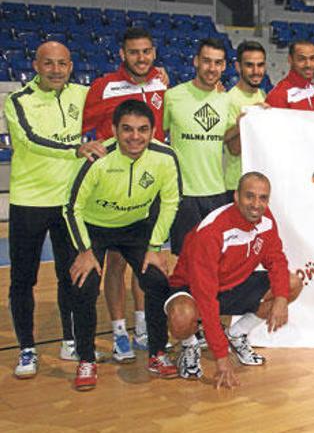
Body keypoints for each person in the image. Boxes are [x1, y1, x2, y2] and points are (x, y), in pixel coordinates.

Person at [65, 99, 181, 390]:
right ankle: (87, 359)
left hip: (135, 228)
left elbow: (170, 202)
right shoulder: (98, 159)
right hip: (94, 228)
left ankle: (156, 352)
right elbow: (71, 207)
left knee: (156, 281)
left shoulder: (165, 157)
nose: (135, 136)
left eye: (143, 130)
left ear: (154, 131)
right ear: (114, 130)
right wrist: (84, 250)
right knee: (84, 284)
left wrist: (155, 247)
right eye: (127, 129)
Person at [4, 41, 103, 378]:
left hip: (68, 205)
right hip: (29, 201)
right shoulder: (17, 101)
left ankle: (69, 340)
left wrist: (156, 79)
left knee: (69, 276)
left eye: (62, 64)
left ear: (71, 66)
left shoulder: (82, 94)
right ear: (36, 66)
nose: (56, 70)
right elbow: (30, 140)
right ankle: (27, 349)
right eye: (49, 64)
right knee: (22, 279)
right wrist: (76, 149)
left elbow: (118, 101)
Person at [165, 172, 304, 388]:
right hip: (193, 288)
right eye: (250, 196)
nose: (256, 205)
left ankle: (237, 334)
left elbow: (276, 259)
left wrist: (281, 299)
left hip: (232, 284)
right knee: (182, 316)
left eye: (263, 198)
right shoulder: (212, 231)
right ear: (236, 197)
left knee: (291, 283)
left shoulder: (266, 219)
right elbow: (206, 296)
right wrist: (221, 359)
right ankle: (189, 345)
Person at [82, 27, 168, 361]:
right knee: (116, 265)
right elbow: (78, 126)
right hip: (114, 189)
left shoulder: (161, 81)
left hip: (151, 184)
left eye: (146, 51)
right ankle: (119, 332)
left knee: (146, 261)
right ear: (122, 54)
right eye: (134, 52)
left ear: (154, 53)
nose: (141, 58)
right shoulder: (104, 87)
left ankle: (142, 325)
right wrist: (81, 146)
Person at [163, 38, 238, 255]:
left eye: (217, 63)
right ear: (196, 61)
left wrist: (244, 123)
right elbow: (158, 135)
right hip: (183, 193)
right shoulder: (173, 96)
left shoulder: (226, 100)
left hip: (216, 191)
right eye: (206, 61)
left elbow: (222, 137)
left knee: (214, 255)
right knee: (184, 257)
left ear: (224, 66)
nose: (211, 68)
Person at [222, 41, 267, 202]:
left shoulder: (262, 95)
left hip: (257, 182)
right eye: (249, 65)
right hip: (236, 184)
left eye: (260, 65)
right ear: (238, 67)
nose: (256, 71)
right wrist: (250, 120)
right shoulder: (230, 99)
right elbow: (233, 149)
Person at [264, 39, 314, 110]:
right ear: (290, 60)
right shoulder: (278, 95)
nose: (308, 64)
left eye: (312, 58)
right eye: (301, 59)